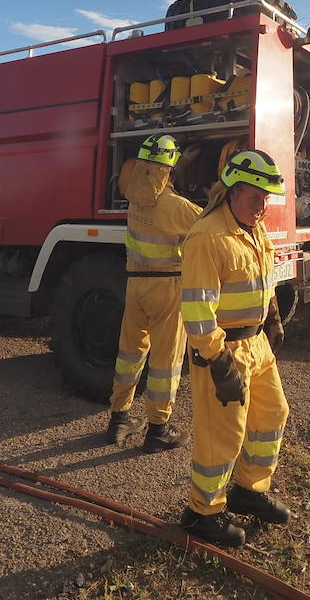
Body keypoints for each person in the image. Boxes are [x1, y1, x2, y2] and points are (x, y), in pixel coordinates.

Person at [178, 149, 291, 549]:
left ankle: (249, 490)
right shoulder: (208, 236)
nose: (262, 206)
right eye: (254, 197)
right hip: (223, 351)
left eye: (266, 198)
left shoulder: (253, 228)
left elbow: (265, 278)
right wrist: (218, 361)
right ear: (231, 190)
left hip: (256, 344)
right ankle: (201, 514)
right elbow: (196, 311)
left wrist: (272, 314)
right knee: (222, 438)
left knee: (273, 413)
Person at [106, 134, 202, 452]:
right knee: (165, 362)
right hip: (167, 287)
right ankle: (159, 429)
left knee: (130, 354)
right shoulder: (178, 207)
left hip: (135, 285)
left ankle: (119, 419)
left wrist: (179, 162)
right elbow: (212, 229)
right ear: (169, 168)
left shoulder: (134, 198)